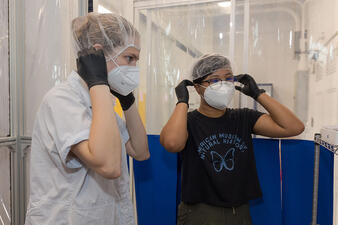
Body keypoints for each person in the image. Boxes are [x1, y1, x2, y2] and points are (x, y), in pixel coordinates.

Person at [25, 13, 149, 225]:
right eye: (129, 58)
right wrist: (99, 82)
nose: (134, 67)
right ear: (98, 54)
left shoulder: (101, 101)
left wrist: (127, 102)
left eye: (136, 60)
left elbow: (140, 151)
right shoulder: (62, 100)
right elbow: (109, 166)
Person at [160, 54, 304, 225]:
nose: (222, 84)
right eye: (214, 80)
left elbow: (294, 127)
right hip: (200, 213)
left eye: (228, 79)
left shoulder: (243, 117)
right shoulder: (189, 121)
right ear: (197, 87)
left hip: (240, 213)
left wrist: (258, 94)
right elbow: (172, 143)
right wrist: (183, 102)